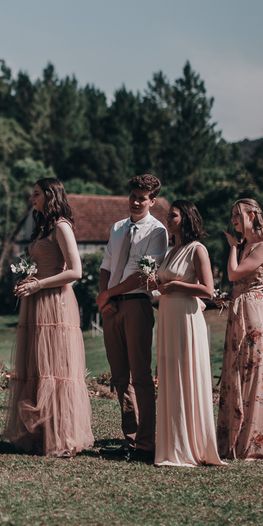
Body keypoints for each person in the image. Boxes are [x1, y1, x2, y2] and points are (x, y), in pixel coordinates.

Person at [3, 178, 94, 457]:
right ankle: (41, 435)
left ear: (50, 196)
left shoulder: (62, 226)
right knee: (38, 367)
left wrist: (39, 284)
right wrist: (29, 279)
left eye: (36, 195)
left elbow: (75, 271)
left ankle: (62, 436)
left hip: (55, 303)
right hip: (36, 301)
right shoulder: (43, 227)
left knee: (55, 368)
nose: (32, 200)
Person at [95, 174, 168, 462]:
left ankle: (146, 444)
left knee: (140, 377)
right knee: (120, 377)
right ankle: (130, 440)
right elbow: (106, 266)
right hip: (111, 306)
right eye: (133, 196)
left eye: (142, 197)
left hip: (137, 304)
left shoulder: (157, 231)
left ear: (152, 201)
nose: (136, 201)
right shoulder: (117, 228)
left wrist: (108, 294)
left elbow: (143, 274)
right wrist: (105, 298)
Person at [148, 199, 223, 467]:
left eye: (174, 216)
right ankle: (172, 443)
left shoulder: (197, 249)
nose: (168, 220)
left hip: (187, 318)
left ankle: (191, 446)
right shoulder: (170, 251)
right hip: (168, 317)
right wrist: (155, 282)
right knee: (170, 376)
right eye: (168, 216)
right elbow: (165, 284)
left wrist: (176, 286)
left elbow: (208, 291)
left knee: (186, 375)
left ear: (187, 219)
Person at [216, 198, 263, 460]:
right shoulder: (247, 246)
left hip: (252, 311)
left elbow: (233, 274)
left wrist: (232, 247)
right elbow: (235, 283)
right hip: (238, 308)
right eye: (232, 215)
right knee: (234, 369)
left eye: (237, 215)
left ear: (252, 216)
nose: (233, 220)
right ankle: (232, 436)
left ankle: (252, 441)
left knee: (252, 372)